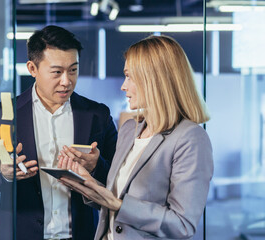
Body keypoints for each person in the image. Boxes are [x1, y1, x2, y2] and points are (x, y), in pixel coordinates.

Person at [0, 25, 117, 240]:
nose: (67, 81)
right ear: (32, 69)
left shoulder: (97, 115)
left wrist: (96, 165)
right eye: (57, 72)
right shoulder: (2, 115)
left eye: (73, 70)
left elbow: (121, 182)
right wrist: (2, 173)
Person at [58, 35, 214, 240]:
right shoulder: (129, 129)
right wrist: (88, 184)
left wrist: (119, 205)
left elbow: (182, 225)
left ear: (154, 79)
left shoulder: (190, 138)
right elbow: (113, 204)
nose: (123, 86)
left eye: (129, 76)